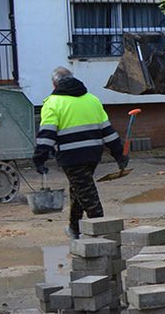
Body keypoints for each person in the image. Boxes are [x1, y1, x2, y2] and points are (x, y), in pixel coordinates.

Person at [34, 66, 125, 238]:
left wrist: (40, 158)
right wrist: (119, 154)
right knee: (79, 190)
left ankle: (102, 234)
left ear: (54, 84)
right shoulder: (92, 100)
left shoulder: (52, 103)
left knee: (88, 196)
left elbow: (47, 134)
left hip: (71, 157)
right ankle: (74, 228)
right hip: (93, 155)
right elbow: (108, 131)